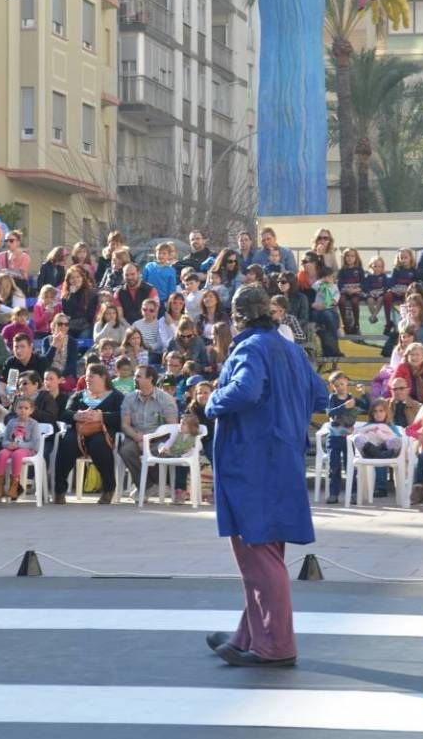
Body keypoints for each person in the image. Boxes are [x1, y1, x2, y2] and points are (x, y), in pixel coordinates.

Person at [204, 284, 328, 667]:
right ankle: (250, 634)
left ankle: (275, 644)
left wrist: (212, 400)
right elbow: (321, 396)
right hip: (283, 457)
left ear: (238, 315)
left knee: (258, 555)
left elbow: (245, 391)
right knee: (268, 552)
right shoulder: (290, 349)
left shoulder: (250, 347)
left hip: (252, 461)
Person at [53, 363, 123, 504]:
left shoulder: (116, 396)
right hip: (79, 431)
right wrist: (77, 415)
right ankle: (59, 490)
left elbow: (122, 416)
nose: (86, 378)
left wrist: (101, 416)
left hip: (102, 432)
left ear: (103, 377)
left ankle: (108, 489)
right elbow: (64, 413)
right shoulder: (79, 395)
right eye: (86, 376)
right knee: (66, 443)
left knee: (99, 444)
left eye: (91, 375)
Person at [118, 364, 179, 493]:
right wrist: (136, 437)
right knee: (126, 451)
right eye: (135, 376)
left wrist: (148, 439)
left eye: (138, 376)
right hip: (135, 437)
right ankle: (147, 486)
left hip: (157, 438)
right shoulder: (129, 398)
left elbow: (172, 426)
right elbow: (125, 424)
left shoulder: (166, 399)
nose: (134, 378)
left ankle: (151, 485)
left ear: (150, 378)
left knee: (160, 451)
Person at [0, 397, 41, 501]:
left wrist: (19, 445)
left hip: (27, 450)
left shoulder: (34, 424)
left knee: (17, 454)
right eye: (20, 408)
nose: (23, 410)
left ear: (31, 410)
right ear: (15, 409)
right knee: (1, 454)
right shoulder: (11, 422)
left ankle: (14, 487)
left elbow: (35, 444)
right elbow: (5, 440)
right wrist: (8, 444)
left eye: (26, 408)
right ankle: (0, 487)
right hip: (12, 448)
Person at [325, 371, 362, 504]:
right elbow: (330, 412)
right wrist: (343, 406)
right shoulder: (332, 398)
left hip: (348, 438)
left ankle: (353, 493)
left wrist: (363, 393)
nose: (340, 387)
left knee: (350, 466)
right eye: (337, 385)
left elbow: (365, 404)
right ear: (332, 387)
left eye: (342, 383)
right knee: (334, 466)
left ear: (347, 382)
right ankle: (333, 493)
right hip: (334, 437)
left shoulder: (352, 397)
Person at [382, 248, 418, 334]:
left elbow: (414, 283)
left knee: (408, 299)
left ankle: (406, 320)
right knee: (387, 297)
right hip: (396, 290)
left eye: (405, 257)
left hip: (407, 291)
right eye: (401, 258)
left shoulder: (414, 270)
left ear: (411, 258)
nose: (403, 260)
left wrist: (409, 289)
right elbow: (392, 282)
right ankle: (388, 322)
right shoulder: (396, 270)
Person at [40, 314, 79, 385]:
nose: (63, 326)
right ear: (54, 325)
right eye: (60, 324)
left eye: (66, 324)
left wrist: (59, 376)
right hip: (50, 376)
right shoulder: (46, 341)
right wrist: (53, 345)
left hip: (67, 375)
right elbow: (45, 363)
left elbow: (72, 364)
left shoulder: (72, 342)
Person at [311, 266, 341, 357]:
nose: (327, 279)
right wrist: (322, 281)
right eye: (325, 277)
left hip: (329, 310)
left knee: (329, 316)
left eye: (330, 277)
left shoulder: (335, 287)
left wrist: (324, 305)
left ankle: (334, 346)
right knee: (315, 314)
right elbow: (314, 286)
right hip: (318, 311)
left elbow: (334, 301)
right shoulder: (319, 285)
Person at [337, 248, 364, 336]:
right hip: (345, 291)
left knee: (354, 302)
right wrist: (346, 290)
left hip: (356, 291)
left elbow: (363, 283)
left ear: (356, 258)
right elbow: (340, 283)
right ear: (344, 258)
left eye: (352, 256)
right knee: (341, 301)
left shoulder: (359, 270)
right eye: (347, 256)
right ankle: (344, 323)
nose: (349, 258)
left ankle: (356, 323)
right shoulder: (342, 270)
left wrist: (356, 290)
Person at [0, 230, 31, 295]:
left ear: (18, 242)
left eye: (11, 241)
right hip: (4, 288)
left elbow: (22, 276)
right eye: (6, 241)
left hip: (19, 288)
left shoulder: (25, 257)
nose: (8, 243)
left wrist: (11, 262)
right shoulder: (0, 255)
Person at [363, 257, 387, 324]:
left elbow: (386, 286)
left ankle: (373, 316)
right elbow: (365, 286)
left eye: (379, 266)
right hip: (371, 293)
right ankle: (374, 316)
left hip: (380, 293)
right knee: (370, 300)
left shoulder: (383, 276)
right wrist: (370, 292)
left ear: (382, 267)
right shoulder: (369, 276)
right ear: (371, 266)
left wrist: (382, 292)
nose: (377, 268)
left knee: (381, 299)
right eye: (375, 266)